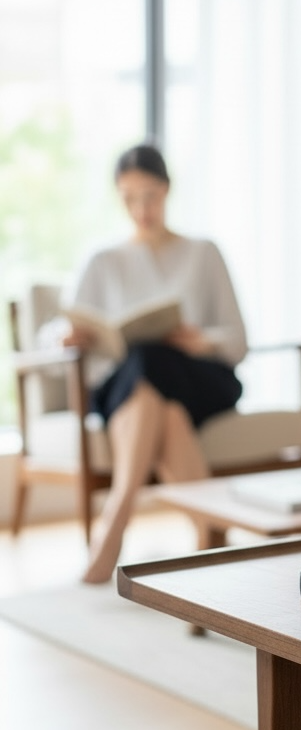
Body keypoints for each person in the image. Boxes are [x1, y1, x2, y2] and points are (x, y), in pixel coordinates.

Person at [58, 143, 248, 583]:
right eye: (129, 198)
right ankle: (212, 534)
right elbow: (59, 327)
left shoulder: (204, 252)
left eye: (150, 195)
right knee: (162, 403)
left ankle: (116, 517)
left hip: (198, 375)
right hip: (129, 385)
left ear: (166, 190)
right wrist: (70, 336)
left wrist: (201, 340)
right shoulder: (102, 260)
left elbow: (238, 341)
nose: (141, 208)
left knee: (154, 360)